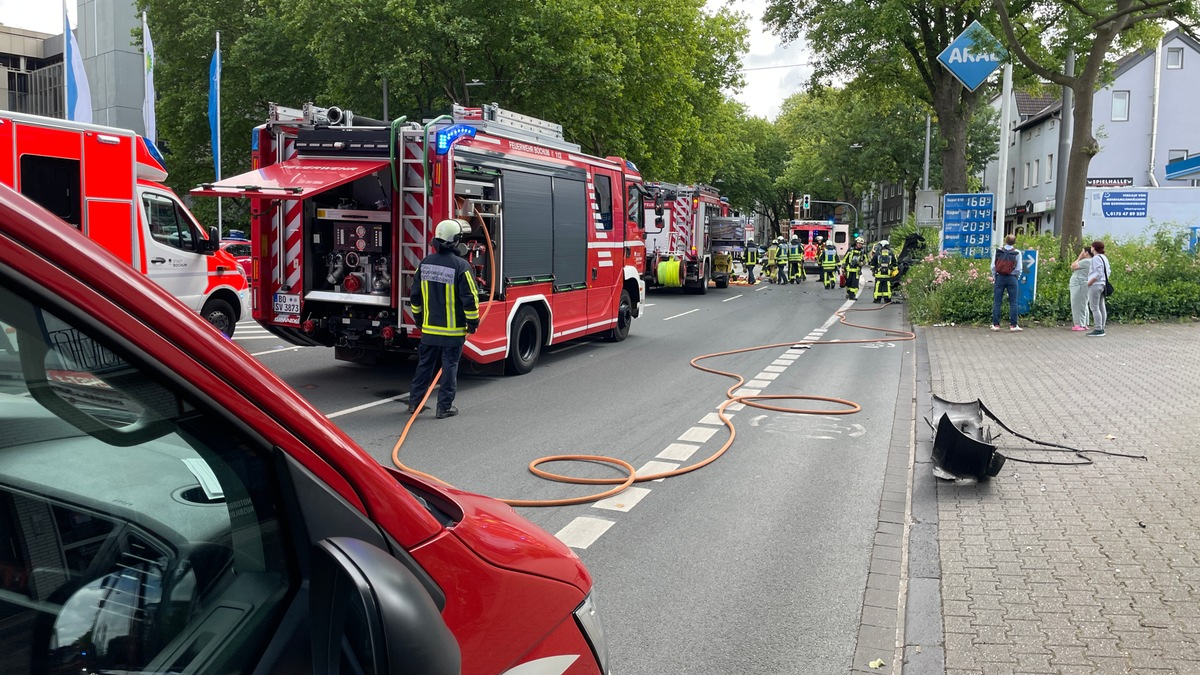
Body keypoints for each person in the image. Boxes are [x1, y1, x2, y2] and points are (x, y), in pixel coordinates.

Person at [408, 219, 481, 419]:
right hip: (453, 331)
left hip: (429, 330)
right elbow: (470, 299)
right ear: (455, 241)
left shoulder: (425, 264)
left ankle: (415, 403)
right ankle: (444, 407)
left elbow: (415, 295)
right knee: (449, 367)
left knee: (424, 365)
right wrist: (473, 322)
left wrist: (418, 318)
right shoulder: (461, 266)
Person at [990, 234, 1022, 332]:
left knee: (997, 302)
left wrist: (995, 275)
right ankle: (1013, 325)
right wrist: (1016, 276)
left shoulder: (998, 251)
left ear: (1005, 240)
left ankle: (996, 325)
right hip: (1012, 278)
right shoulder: (1017, 253)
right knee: (1013, 302)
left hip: (1000, 277)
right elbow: (1019, 268)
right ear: (1014, 242)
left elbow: (993, 266)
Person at [1086, 240, 1110, 337]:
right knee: (1101, 306)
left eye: (1091, 247)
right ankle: (1102, 326)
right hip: (1103, 284)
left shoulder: (1095, 258)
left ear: (1094, 248)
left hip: (1096, 284)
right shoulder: (1104, 258)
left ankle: (1098, 329)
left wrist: (1090, 282)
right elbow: (1108, 271)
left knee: (1094, 307)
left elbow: (1098, 272)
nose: (1090, 248)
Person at [1069, 245, 1093, 331]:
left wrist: (1079, 257)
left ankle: (1079, 324)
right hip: (1083, 284)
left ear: (1086, 253)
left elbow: (1073, 266)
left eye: (1083, 251)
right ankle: (1084, 323)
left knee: (1077, 303)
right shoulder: (1091, 261)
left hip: (1079, 284)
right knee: (1083, 303)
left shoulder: (1086, 261)